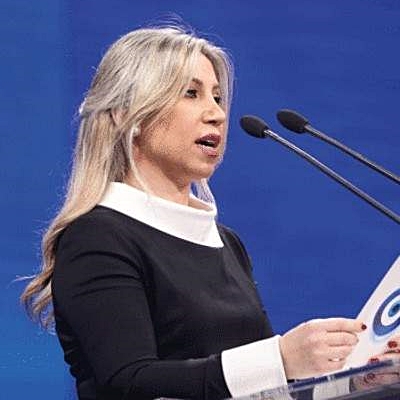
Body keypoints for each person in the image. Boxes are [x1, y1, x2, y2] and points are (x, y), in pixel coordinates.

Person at [21, 25, 399, 400]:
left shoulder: (224, 241)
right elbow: (129, 383)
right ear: (125, 115)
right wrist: (280, 358)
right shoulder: (96, 238)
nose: (216, 113)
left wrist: (356, 380)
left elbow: (258, 390)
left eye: (217, 97)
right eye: (191, 93)